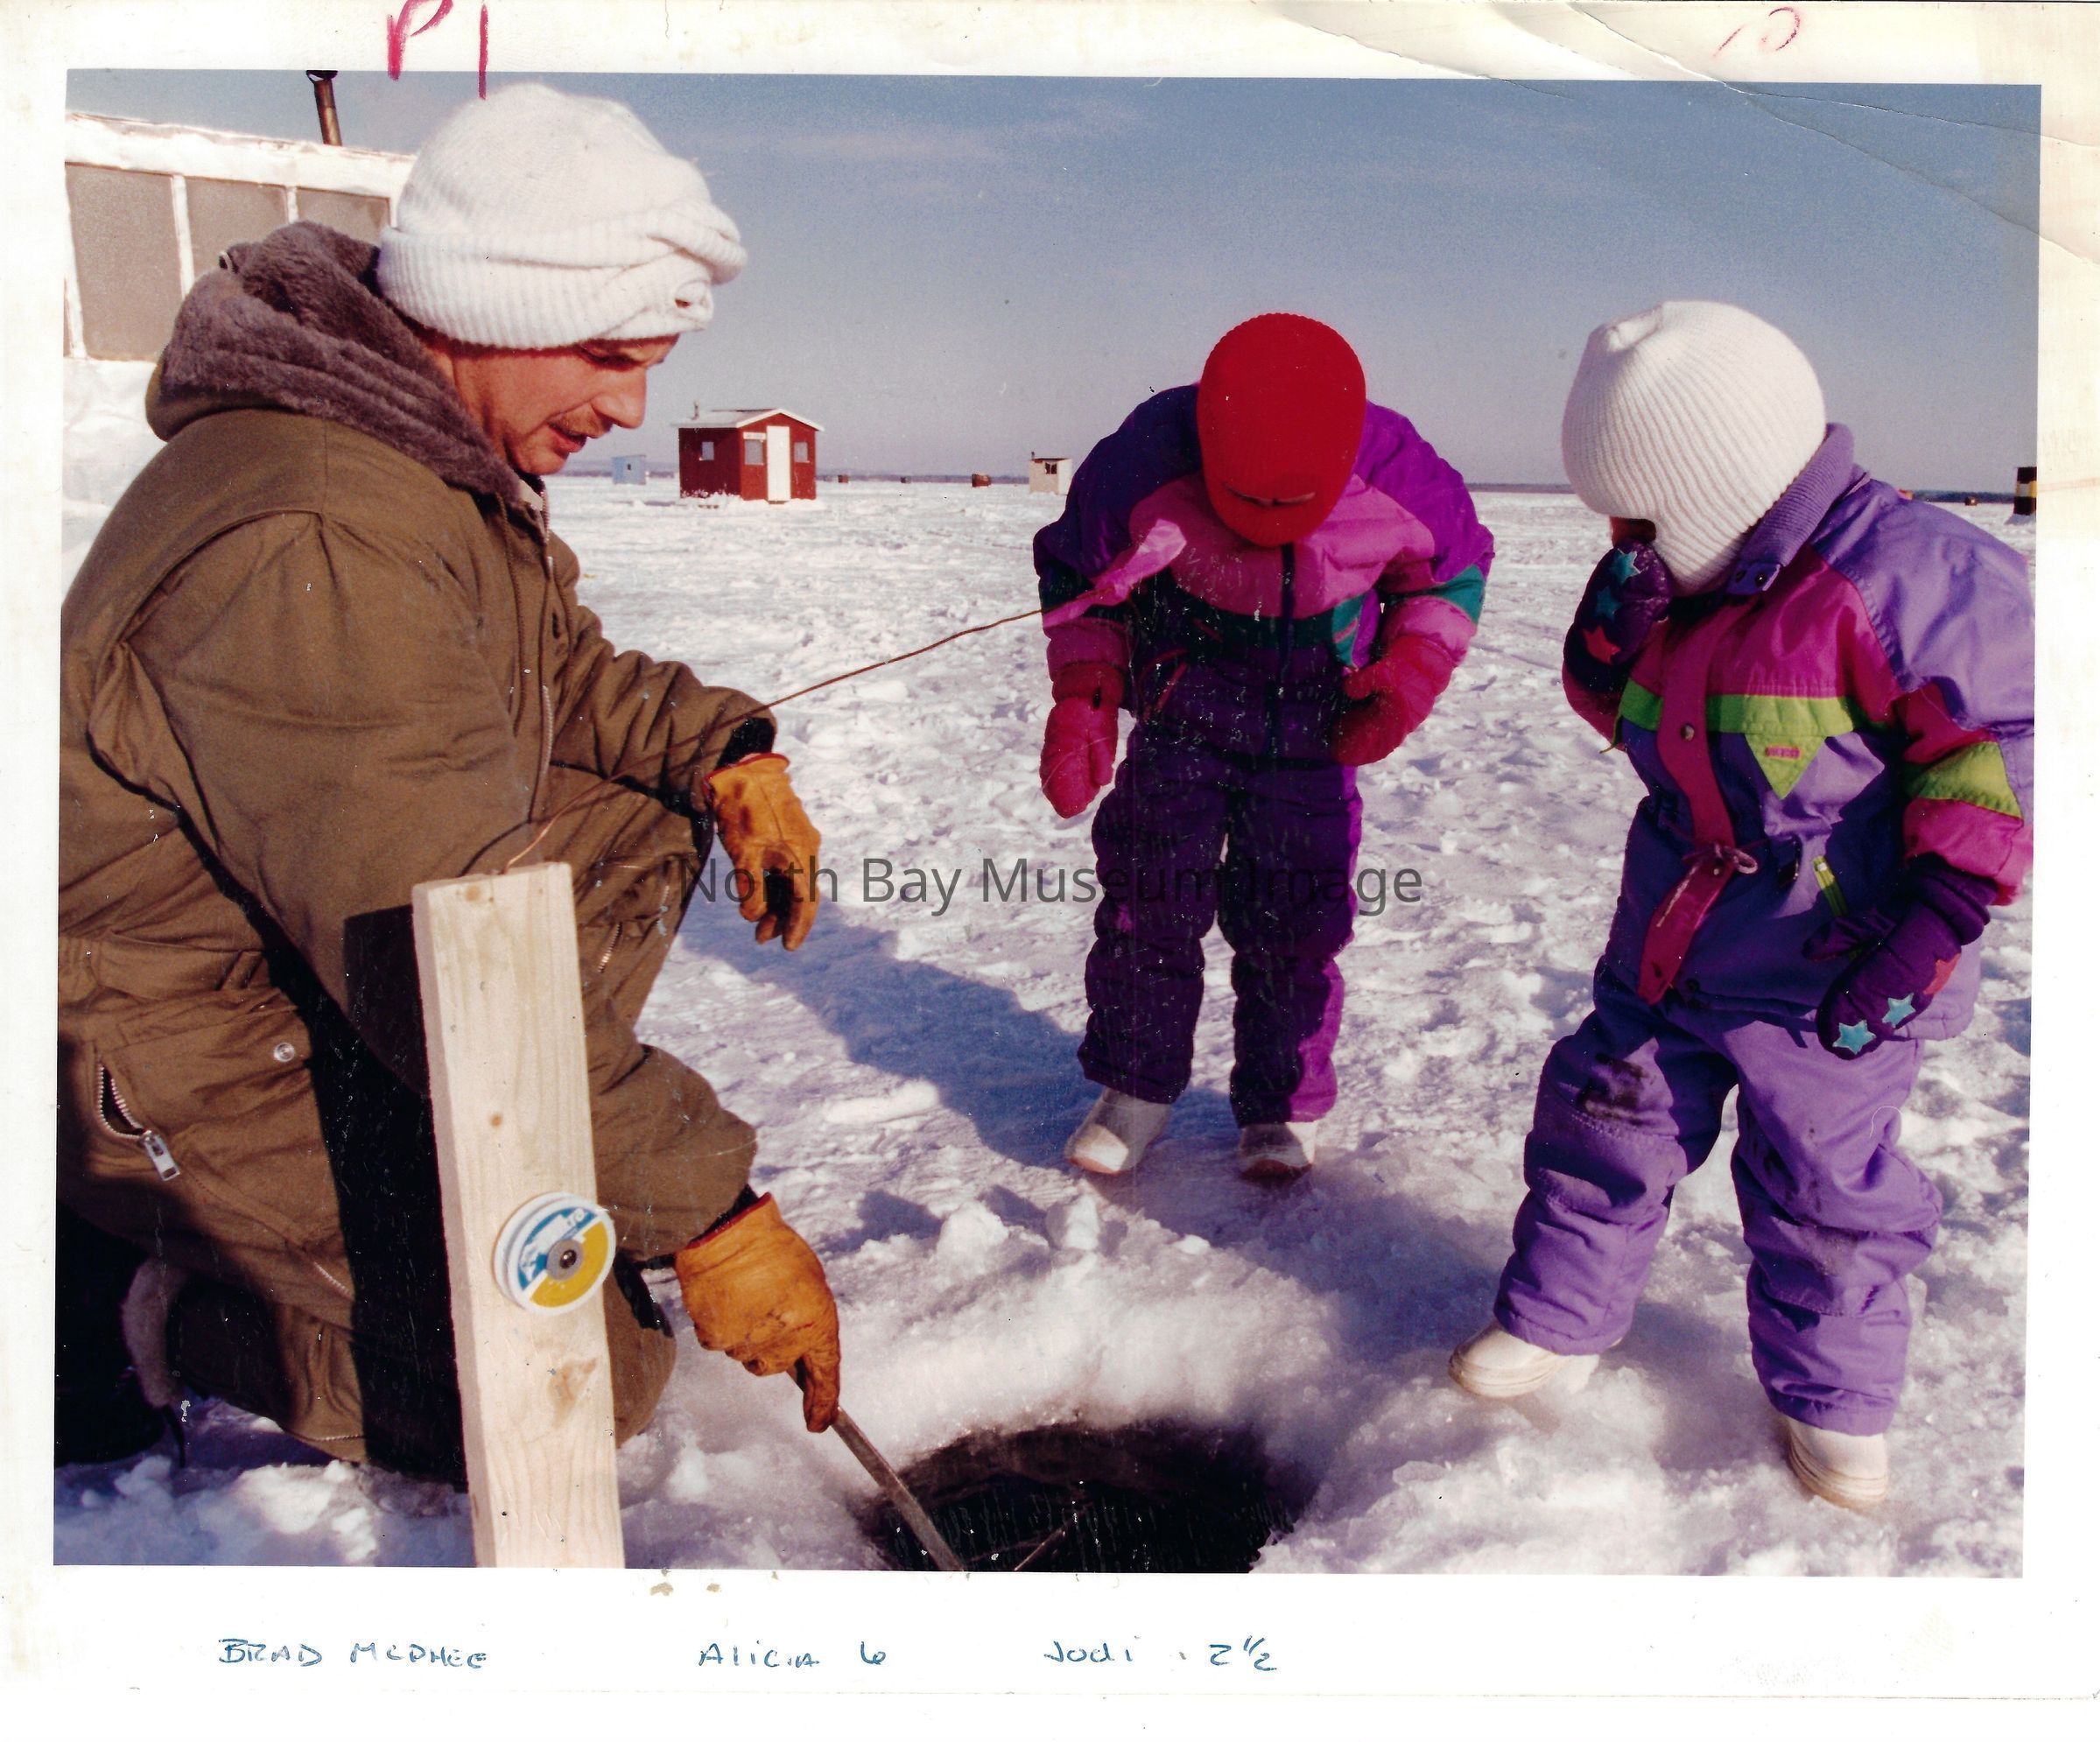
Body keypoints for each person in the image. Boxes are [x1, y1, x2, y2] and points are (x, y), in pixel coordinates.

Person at [58, 84, 839, 1482]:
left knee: (643, 812)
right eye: (608, 354)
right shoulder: (320, 530)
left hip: (292, 962)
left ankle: (503, 1129)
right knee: (569, 1371)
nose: (630, 405)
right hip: (172, 1041)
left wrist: (725, 753)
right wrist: (708, 1211)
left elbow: (559, 671)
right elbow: (440, 953)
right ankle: (146, 1297)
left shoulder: (417, 461)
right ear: (490, 308)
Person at [1448, 301, 2034, 1510]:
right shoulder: (1681, 581)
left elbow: (2001, 752)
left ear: (1711, 487)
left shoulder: (1912, 577)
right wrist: (1604, 647)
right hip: (1672, 936)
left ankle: (1832, 1400)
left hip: (1837, 961)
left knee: (1820, 1183)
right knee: (1603, 1120)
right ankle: (1558, 1319)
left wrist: (1933, 917)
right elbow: (1626, 720)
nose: (1618, 543)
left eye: (1635, 520)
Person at [1033, 313, 1492, 1179]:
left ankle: (1281, 1103)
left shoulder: (1398, 471)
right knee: (1147, 901)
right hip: (1182, 710)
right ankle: (1134, 1088)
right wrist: (1086, 691)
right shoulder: (1143, 459)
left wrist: (1412, 669)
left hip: (1317, 724)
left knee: (1294, 917)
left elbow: (1447, 577)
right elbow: (1080, 579)